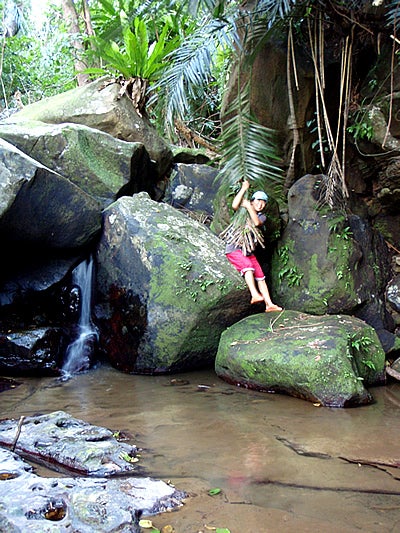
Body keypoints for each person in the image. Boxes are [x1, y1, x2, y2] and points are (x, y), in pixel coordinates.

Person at [225, 180, 282, 312]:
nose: (260, 204)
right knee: (248, 267)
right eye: (258, 201)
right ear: (252, 201)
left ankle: (269, 304)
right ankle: (254, 294)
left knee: (261, 276)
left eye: (263, 202)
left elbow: (256, 223)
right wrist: (244, 188)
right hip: (235, 248)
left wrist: (249, 207)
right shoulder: (242, 212)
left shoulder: (262, 217)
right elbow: (234, 205)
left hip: (248, 251)